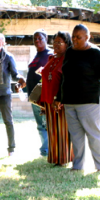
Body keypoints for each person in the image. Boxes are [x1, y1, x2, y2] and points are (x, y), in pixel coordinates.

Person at [55, 24, 100, 171]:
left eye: (78, 37)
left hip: (90, 101)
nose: (75, 40)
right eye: (73, 37)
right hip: (70, 101)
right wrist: (59, 98)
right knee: (76, 136)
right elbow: (65, 77)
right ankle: (78, 166)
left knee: (94, 135)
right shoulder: (69, 52)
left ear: (87, 37)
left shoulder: (96, 53)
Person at [40, 31, 74, 166]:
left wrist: (59, 98)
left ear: (67, 44)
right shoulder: (51, 58)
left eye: (59, 42)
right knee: (52, 130)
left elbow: (67, 80)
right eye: (54, 42)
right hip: (48, 100)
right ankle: (55, 158)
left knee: (62, 131)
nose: (56, 44)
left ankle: (64, 158)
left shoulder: (68, 59)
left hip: (61, 101)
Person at [26, 29, 52, 157]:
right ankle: (45, 150)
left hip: (44, 96)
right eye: (35, 39)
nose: (37, 41)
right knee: (40, 125)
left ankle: (47, 150)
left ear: (46, 38)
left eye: (40, 38)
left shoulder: (50, 55)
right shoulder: (36, 56)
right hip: (34, 96)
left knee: (47, 124)